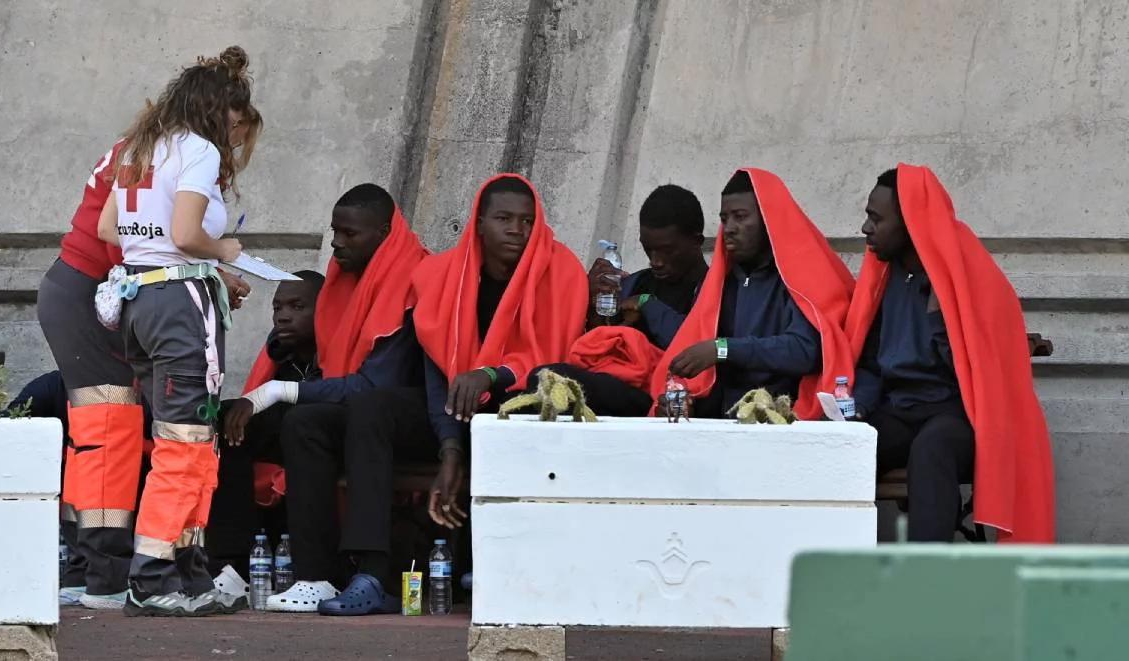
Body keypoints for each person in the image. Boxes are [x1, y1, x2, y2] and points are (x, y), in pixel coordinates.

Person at [314, 174, 587, 616]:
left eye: (527, 221)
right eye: (503, 218)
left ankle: (502, 566)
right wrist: (450, 450)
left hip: (521, 405)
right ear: (479, 224)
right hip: (449, 409)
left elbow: (554, 364)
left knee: (519, 415)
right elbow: (437, 373)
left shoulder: (563, 272)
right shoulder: (440, 276)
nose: (517, 230)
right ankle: (372, 575)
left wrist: (493, 374)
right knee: (372, 407)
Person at [37, 91, 256, 609]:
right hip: (105, 290)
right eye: (237, 134)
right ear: (215, 117)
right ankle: (111, 574)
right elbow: (141, 240)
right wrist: (214, 268)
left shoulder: (143, 145)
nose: (235, 148)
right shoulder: (177, 153)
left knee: (105, 434)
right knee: (113, 431)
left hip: (100, 291)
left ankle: (94, 568)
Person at [96, 45, 258, 616]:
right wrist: (224, 250)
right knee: (185, 441)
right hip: (181, 300)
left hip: (138, 295)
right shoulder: (197, 151)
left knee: (186, 437)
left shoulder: (141, 147)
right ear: (220, 111)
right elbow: (189, 233)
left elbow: (108, 227)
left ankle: (188, 573)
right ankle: (156, 578)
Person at [241, 184, 428, 612]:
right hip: (367, 412)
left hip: (419, 416)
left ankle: (371, 575)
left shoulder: (412, 278)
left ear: (384, 232)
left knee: (364, 407)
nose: (338, 243)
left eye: (350, 234)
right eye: (334, 232)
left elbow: (372, 385)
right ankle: (314, 576)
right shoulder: (347, 280)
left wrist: (280, 389)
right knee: (303, 422)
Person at [846, 165, 1055, 542]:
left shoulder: (967, 270)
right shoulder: (884, 276)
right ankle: (835, 571)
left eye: (876, 218)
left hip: (960, 414)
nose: (865, 228)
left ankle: (929, 582)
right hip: (901, 408)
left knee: (933, 448)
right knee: (844, 447)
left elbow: (982, 370)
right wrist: (856, 407)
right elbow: (872, 361)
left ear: (910, 221)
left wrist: (939, 315)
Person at [652, 169, 855, 419]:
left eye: (740, 217)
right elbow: (694, 340)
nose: (729, 228)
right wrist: (685, 395)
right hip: (724, 411)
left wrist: (723, 349)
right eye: (725, 219)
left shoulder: (802, 276)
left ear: (770, 219)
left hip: (782, 413)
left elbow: (806, 350)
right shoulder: (720, 281)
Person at [529, 184, 708, 416]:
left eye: (667, 250)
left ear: (697, 241)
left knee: (553, 377)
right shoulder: (634, 283)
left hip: (666, 396)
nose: (656, 261)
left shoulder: (715, 288)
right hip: (617, 387)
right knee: (535, 383)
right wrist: (590, 302)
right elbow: (595, 348)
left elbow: (692, 344)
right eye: (648, 249)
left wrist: (647, 304)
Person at [204, 270, 325, 578]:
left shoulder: (339, 354)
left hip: (323, 438)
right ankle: (229, 564)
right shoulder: (282, 358)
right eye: (277, 308)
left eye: (297, 307)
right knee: (223, 419)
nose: (283, 317)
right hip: (280, 438)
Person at [3, 372, 153, 605]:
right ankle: (88, 580)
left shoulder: (141, 388)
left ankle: (91, 579)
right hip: (83, 488)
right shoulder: (51, 386)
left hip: (134, 485)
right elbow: (9, 426)